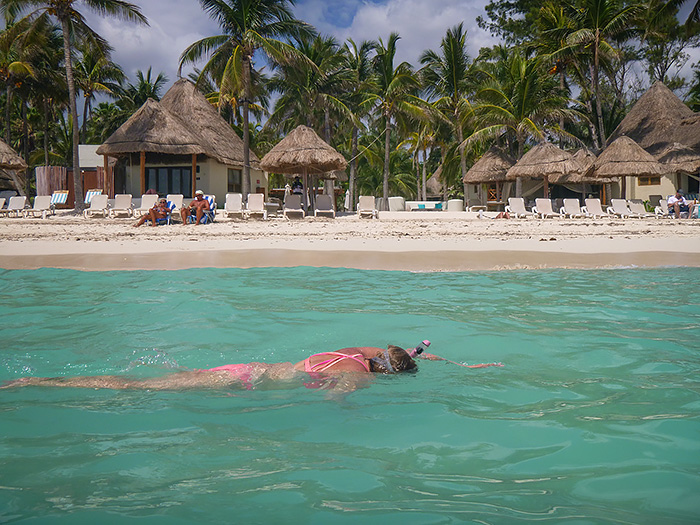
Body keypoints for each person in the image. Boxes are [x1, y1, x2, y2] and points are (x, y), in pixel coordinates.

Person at [1, 345, 419, 391]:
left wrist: (415, 355)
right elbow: (337, 399)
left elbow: (378, 347)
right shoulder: (359, 375)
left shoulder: (349, 353)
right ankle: (36, 381)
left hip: (244, 368)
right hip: (239, 383)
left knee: (142, 384)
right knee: (131, 388)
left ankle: (41, 381)